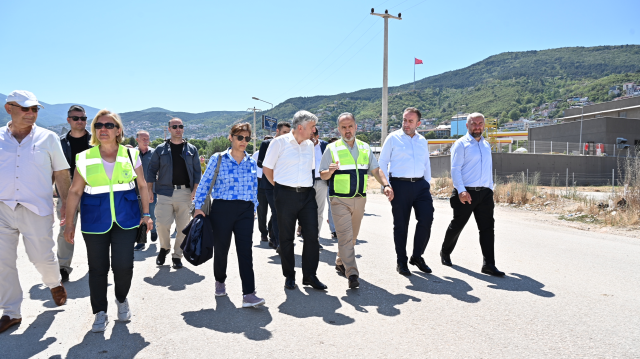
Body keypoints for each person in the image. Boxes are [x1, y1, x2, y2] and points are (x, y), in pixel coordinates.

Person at [64, 109, 153, 333]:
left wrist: (146, 214)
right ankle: (99, 312)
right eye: (98, 125)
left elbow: (142, 185)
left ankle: (121, 300)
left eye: (109, 125)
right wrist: (70, 222)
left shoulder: (132, 155)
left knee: (124, 266)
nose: (103, 129)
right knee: (97, 269)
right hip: (95, 221)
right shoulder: (84, 157)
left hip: (127, 220)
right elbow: (74, 191)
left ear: (118, 130)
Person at [0, 90, 69, 334]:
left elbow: (61, 173)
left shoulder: (48, 138)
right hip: (2, 208)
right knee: (2, 262)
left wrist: (67, 209)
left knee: (41, 257)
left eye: (35, 109)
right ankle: (11, 312)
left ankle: (53, 282)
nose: (31, 114)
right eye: (25, 108)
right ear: (9, 108)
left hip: (36, 208)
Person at [193, 123, 265, 308]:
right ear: (231, 137)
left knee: (245, 251)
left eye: (247, 138)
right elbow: (204, 183)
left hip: (246, 211)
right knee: (222, 248)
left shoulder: (251, 162)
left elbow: (254, 186)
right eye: (240, 137)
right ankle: (220, 281)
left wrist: (254, 206)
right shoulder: (218, 159)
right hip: (222, 209)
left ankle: (249, 293)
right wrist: (198, 207)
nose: (244, 142)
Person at [320, 113, 393, 289]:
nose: (347, 130)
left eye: (350, 126)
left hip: (360, 199)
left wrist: (386, 185)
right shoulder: (332, 148)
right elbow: (322, 174)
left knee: (351, 238)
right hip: (339, 200)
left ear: (356, 127)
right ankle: (352, 273)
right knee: (345, 237)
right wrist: (329, 172)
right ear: (338, 129)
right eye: (343, 127)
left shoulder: (365, 147)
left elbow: (375, 169)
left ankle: (340, 261)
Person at [262, 110, 327, 290]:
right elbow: (267, 168)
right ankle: (289, 276)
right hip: (285, 195)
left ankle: (310, 276)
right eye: (312, 127)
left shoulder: (309, 146)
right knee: (286, 238)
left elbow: (311, 170)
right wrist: (280, 187)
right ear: (301, 127)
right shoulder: (279, 143)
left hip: (307, 195)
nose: (314, 131)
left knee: (312, 236)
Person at [440, 113, 504, 277]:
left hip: (485, 194)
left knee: (487, 229)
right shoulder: (461, 144)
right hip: (466, 193)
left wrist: (490, 188)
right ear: (467, 126)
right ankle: (445, 252)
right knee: (457, 225)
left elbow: (487, 168)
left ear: (484, 125)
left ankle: (489, 264)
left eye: (480, 123)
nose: (477, 126)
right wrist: (461, 190)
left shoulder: (486, 145)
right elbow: (455, 169)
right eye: (473, 123)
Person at [378, 107, 434, 276]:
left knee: (426, 219)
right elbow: (381, 163)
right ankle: (401, 261)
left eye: (410, 121)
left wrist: (427, 184)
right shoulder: (393, 138)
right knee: (401, 226)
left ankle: (417, 256)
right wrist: (386, 186)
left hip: (421, 186)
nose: (406, 124)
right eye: (404, 120)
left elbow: (426, 164)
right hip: (399, 186)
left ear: (418, 123)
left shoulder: (422, 140)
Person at [146, 118, 201, 269]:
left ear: (183, 129)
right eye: (174, 126)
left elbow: (197, 173)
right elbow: (151, 170)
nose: (178, 129)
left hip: (185, 193)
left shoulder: (192, 149)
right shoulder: (160, 149)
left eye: (180, 126)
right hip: (164, 192)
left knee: (183, 227)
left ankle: (177, 256)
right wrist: (149, 190)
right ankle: (164, 248)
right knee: (162, 223)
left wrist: (195, 190)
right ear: (169, 129)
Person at [55, 105, 92, 282]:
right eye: (76, 118)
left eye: (83, 118)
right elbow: (52, 169)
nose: (80, 121)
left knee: (95, 231)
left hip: (92, 192)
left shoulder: (96, 141)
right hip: (66, 193)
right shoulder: (59, 143)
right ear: (68, 120)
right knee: (64, 231)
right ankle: (63, 267)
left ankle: (96, 264)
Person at [256, 122, 291, 250]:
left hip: (286, 184)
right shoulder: (267, 144)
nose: (287, 135)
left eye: (289, 132)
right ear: (277, 131)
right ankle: (278, 241)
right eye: (284, 132)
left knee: (281, 213)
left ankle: (273, 235)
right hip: (270, 184)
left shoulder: (290, 145)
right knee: (276, 212)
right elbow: (260, 163)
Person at [134, 130, 157, 251]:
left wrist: (152, 189)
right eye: (143, 139)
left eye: (147, 139)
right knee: (139, 216)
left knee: (151, 214)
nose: (146, 141)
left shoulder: (154, 153)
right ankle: (141, 242)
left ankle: (154, 230)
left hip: (151, 191)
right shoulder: (131, 153)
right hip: (135, 192)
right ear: (137, 139)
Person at [253, 136, 272, 243]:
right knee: (262, 211)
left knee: (276, 210)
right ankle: (263, 233)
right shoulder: (256, 154)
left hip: (272, 183)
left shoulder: (276, 154)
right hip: (260, 184)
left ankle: (270, 228)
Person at [326, 137, 339, 239]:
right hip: (329, 184)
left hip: (342, 185)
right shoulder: (327, 155)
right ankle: (333, 230)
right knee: (331, 208)